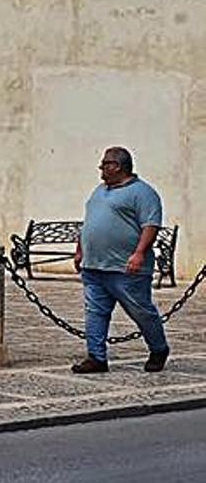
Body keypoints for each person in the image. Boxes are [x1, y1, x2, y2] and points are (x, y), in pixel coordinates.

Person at [72, 147, 169, 374]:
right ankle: (96, 357)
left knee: (141, 311)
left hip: (125, 268)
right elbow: (88, 222)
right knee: (95, 311)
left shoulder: (143, 193)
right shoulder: (99, 191)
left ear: (117, 166)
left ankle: (158, 348)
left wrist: (139, 253)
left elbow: (150, 225)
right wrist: (80, 250)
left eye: (105, 164)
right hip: (94, 266)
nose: (101, 168)